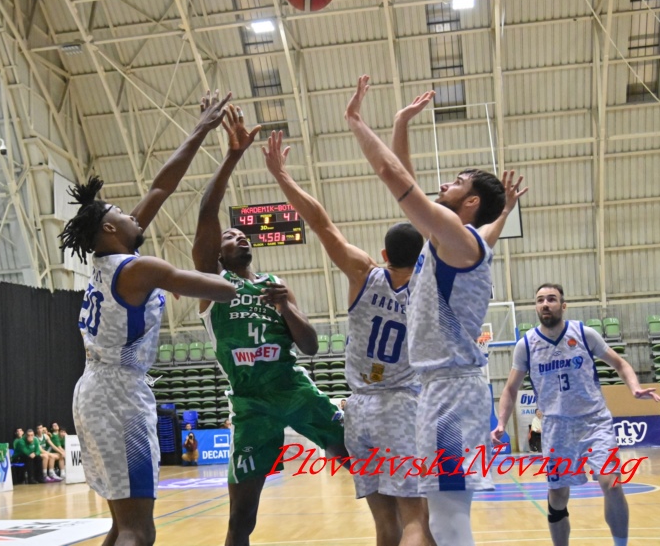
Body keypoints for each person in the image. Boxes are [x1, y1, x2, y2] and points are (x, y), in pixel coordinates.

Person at [346, 80, 525, 546]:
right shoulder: (455, 241)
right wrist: (401, 123)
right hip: (435, 391)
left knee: (446, 518)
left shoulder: (457, 238)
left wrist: (356, 122)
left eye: (458, 183)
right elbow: (407, 176)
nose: (445, 184)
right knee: (441, 517)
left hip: (451, 394)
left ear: (471, 203)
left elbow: (392, 175)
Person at [60, 90, 238, 546]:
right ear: (109, 228)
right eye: (122, 212)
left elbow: (162, 187)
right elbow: (218, 288)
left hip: (95, 390)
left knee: (123, 525)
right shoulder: (139, 269)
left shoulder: (112, 261)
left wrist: (201, 129)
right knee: (139, 530)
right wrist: (249, 285)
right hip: (119, 395)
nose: (132, 214)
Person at [263, 128, 432, 546]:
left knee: (385, 525)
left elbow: (320, 223)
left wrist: (282, 176)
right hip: (401, 406)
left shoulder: (363, 272)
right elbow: (430, 222)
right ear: (421, 258)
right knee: (415, 520)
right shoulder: (427, 286)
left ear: (385, 255)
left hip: (358, 411)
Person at [193, 106, 347, 546]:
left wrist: (286, 308)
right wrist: (232, 156)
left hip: (294, 390)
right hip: (251, 406)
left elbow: (311, 347)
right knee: (241, 518)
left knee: (366, 464)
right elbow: (207, 212)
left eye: (242, 234)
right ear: (217, 254)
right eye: (229, 236)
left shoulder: (275, 285)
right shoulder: (211, 283)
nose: (238, 235)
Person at [492, 284, 660, 546]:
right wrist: (501, 422)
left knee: (612, 483)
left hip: (594, 422)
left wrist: (634, 387)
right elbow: (510, 389)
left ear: (563, 305)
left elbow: (620, 363)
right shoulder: (526, 345)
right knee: (558, 496)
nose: (545, 304)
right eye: (540, 300)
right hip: (556, 427)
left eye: (551, 299)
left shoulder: (584, 333)